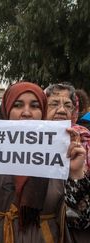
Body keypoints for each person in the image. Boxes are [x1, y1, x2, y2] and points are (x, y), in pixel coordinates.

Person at [0, 81, 86, 242]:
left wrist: (76, 174)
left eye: (34, 106)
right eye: (18, 105)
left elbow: (81, 220)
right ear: (7, 110)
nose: (26, 112)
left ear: (43, 112)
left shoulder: (61, 153)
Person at [45, 83, 90, 242]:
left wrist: (77, 175)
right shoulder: (26, 144)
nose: (62, 110)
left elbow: (84, 215)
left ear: (74, 112)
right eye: (54, 104)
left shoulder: (86, 143)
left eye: (68, 105)